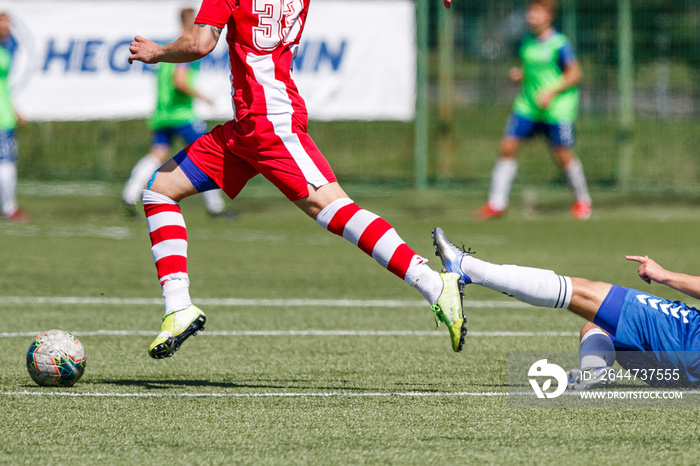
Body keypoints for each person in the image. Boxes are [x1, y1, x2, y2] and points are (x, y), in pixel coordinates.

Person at [128, 0, 465, 359]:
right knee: (160, 190)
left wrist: (157, 52)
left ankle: (432, 283)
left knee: (335, 209)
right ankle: (178, 306)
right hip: (248, 128)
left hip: (269, 123)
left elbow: (200, 43)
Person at [432, 226, 700, 389]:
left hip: (689, 338)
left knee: (580, 291)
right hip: (681, 373)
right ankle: (596, 371)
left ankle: (468, 269)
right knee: (596, 327)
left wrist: (664, 275)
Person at [475, 0, 592, 221]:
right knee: (507, 146)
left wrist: (551, 91)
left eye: (536, 13)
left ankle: (583, 201)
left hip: (557, 109)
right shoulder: (526, 41)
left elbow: (575, 74)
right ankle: (496, 203)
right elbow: (532, 70)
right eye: (530, 12)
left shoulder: (559, 43)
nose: (531, 17)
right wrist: (519, 74)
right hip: (527, 106)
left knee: (562, 154)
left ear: (549, 16)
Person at [121, 8, 230, 218]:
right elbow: (179, 80)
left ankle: (128, 196)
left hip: (163, 113)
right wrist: (203, 96)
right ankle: (215, 207)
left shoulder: (169, 46)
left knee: (157, 155)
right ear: (193, 22)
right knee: (209, 153)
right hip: (182, 114)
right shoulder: (186, 47)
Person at [0, 12, 28, 223]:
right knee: (6, 164)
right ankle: (9, 208)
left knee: (7, 163)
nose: (5, 28)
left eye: (8, 25)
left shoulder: (6, 51)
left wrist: (13, 108)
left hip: (5, 115)